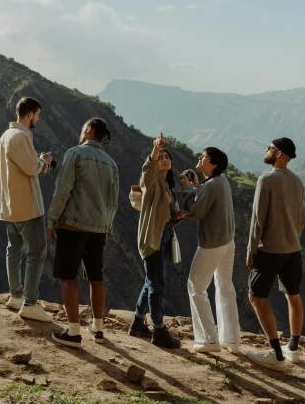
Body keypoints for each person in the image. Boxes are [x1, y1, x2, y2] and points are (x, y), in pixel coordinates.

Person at [48, 118, 119, 349]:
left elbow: (63, 188)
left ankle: (73, 331)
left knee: (69, 276)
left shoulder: (75, 153)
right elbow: (113, 202)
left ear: (88, 130)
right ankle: (97, 329)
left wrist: (53, 218)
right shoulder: (111, 163)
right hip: (98, 228)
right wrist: (107, 229)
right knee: (96, 277)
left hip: (74, 225)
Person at [245, 137, 305, 372]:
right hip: (293, 249)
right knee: (293, 295)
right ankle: (294, 348)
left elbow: (258, 219)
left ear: (279, 154)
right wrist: (292, 237)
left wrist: (251, 249)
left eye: (269, 148)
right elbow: (301, 218)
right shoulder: (297, 181)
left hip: (270, 250)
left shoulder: (267, 179)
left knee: (256, 297)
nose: (266, 150)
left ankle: (276, 355)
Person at [0, 96, 54, 322]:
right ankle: (30, 302)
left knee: (14, 249)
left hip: (10, 204)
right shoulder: (21, 137)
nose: (37, 119)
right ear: (29, 114)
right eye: (37, 115)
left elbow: (19, 166)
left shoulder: (5, 136)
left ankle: (15, 295)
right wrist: (44, 162)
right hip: (26, 206)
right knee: (37, 252)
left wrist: (37, 162)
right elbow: (31, 167)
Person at [128, 133, 188, 349]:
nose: (165, 158)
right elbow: (148, 170)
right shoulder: (152, 183)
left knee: (151, 281)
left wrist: (177, 216)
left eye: (167, 156)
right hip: (152, 238)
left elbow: (168, 217)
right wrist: (156, 147)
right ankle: (159, 329)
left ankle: (137, 322)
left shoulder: (167, 187)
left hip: (163, 236)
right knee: (157, 285)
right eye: (161, 156)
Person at [180, 148, 241, 355]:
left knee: (195, 287)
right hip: (227, 242)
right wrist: (198, 186)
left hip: (212, 243)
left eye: (204, 156)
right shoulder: (221, 181)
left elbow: (196, 212)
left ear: (213, 164)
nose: (199, 158)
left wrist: (188, 189)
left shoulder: (213, 184)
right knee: (225, 287)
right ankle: (230, 339)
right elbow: (208, 194)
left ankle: (208, 339)